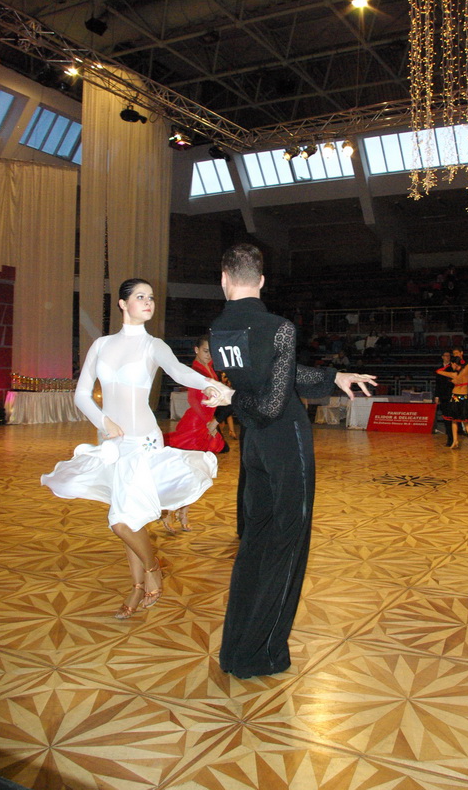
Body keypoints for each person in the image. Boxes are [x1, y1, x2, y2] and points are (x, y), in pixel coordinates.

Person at [209, 243, 376, 679]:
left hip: (255, 447)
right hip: (286, 443)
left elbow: (270, 373)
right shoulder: (279, 326)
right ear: (262, 280)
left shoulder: (219, 329)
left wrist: (332, 376)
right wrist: (232, 397)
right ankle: (260, 654)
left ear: (224, 279)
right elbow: (269, 402)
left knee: (254, 544)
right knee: (286, 547)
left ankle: (235, 649)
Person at [41, 278, 233, 620]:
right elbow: (81, 395)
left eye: (151, 298)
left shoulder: (153, 345)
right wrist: (103, 421)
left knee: (121, 520)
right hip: (111, 442)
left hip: (143, 440)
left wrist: (210, 384)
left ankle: (153, 569)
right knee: (128, 515)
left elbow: (180, 372)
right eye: (140, 297)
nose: (148, 302)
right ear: (122, 304)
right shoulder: (101, 345)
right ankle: (137, 585)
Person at [163, 335, 228, 533]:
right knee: (185, 472)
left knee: (195, 473)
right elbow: (193, 399)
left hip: (204, 424)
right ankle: (169, 512)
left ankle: (182, 512)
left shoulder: (210, 368)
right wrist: (209, 421)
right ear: (196, 350)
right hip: (195, 425)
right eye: (206, 351)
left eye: (211, 351)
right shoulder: (196, 370)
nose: (209, 355)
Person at [436, 345, 468, 449]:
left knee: (454, 420)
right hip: (464, 397)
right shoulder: (467, 369)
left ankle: (455, 441)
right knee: (466, 420)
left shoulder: (453, 374)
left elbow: (438, 371)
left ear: (455, 363)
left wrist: (448, 366)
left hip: (456, 397)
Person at [434, 350, 457, 446]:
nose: (448, 357)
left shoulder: (453, 367)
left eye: (449, 356)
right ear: (442, 357)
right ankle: (450, 438)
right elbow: (438, 384)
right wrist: (437, 396)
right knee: (446, 417)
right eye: (446, 355)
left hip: (452, 394)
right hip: (443, 395)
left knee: (453, 416)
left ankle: (455, 437)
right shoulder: (439, 369)